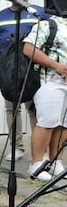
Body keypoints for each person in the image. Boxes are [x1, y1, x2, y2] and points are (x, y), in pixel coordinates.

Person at [0, 0, 47, 161]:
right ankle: (16, 147)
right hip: (8, 68)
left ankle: (39, 152)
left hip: (32, 67)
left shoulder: (39, 13)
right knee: (12, 109)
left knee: (35, 109)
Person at [22, 14, 67, 180]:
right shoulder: (50, 24)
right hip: (50, 81)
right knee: (47, 123)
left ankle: (56, 162)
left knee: (63, 126)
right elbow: (28, 47)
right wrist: (56, 65)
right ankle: (37, 163)